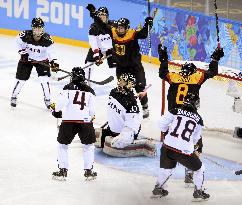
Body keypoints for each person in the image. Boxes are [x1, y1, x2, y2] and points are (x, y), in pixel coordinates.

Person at [158, 44, 224, 186]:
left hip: (173, 117)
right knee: (195, 145)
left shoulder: (174, 77)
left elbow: (162, 73)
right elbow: (212, 71)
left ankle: (162, 181)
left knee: (170, 145)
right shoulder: (196, 77)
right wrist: (215, 58)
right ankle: (190, 173)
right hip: (190, 117)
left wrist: (163, 58)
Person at [86, 4, 153, 118]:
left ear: (127, 28)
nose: (119, 29)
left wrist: (148, 24)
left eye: (122, 28)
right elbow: (101, 24)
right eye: (118, 27)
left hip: (135, 67)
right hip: (121, 67)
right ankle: (126, 109)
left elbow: (143, 34)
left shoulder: (132, 34)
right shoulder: (113, 32)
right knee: (122, 89)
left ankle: (145, 106)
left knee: (140, 87)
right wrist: (93, 14)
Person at [152, 93, 210, 201]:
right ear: (196, 104)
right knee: (200, 169)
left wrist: (167, 133)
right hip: (183, 151)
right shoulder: (199, 119)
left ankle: (158, 187)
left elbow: (161, 124)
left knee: (166, 170)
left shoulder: (174, 110)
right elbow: (195, 139)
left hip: (167, 146)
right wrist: (194, 149)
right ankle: (198, 191)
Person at [51, 68, 97, 181]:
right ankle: (89, 172)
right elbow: (92, 111)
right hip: (85, 122)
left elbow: (60, 104)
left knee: (63, 145)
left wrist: (56, 111)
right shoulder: (91, 91)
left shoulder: (67, 87)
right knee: (88, 146)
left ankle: (62, 171)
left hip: (68, 121)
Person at [95, 73, 156, 157]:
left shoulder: (133, 104)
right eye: (120, 81)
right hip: (112, 129)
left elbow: (132, 125)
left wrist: (124, 137)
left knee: (117, 143)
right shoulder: (113, 92)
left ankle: (139, 143)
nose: (120, 83)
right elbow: (116, 110)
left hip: (126, 132)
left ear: (129, 85)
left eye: (123, 82)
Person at [10, 17, 59, 109]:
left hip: (42, 61)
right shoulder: (24, 35)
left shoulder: (48, 39)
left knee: (45, 81)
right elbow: (17, 42)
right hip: (27, 60)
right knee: (21, 79)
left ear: (43, 28)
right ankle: (14, 96)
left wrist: (53, 63)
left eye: (40, 28)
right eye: (36, 28)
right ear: (32, 28)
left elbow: (51, 52)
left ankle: (48, 100)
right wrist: (22, 52)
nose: (38, 30)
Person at [85, 5, 117, 86]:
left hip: (111, 49)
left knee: (117, 66)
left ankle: (121, 83)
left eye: (104, 15)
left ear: (107, 17)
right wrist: (97, 55)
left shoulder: (114, 25)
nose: (101, 17)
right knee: (89, 63)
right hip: (98, 48)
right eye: (100, 15)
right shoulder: (93, 28)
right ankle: (86, 81)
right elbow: (93, 43)